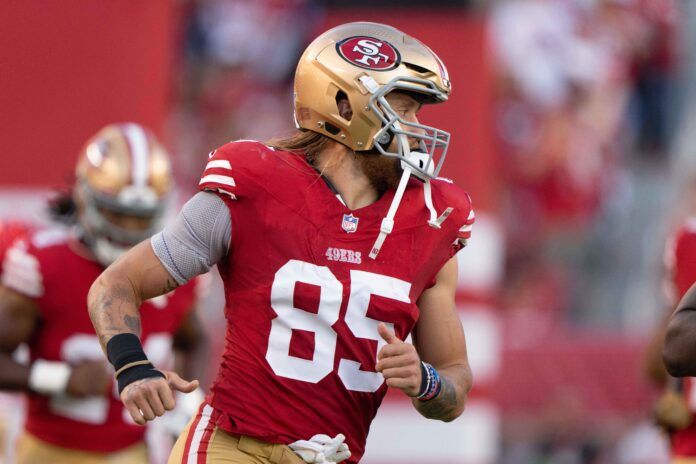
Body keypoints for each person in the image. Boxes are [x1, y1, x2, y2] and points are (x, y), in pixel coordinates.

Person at [88, 22, 474, 464]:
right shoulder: (255, 183)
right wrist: (132, 367)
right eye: (403, 110)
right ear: (345, 106)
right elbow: (116, 284)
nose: (416, 128)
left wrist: (425, 382)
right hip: (233, 445)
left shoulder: (433, 217)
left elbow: (455, 382)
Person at [0, 123, 207, 464]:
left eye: (139, 218)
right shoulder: (44, 264)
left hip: (131, 454)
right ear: (85, 196)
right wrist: (58, 378)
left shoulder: (175, 271)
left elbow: (194, 339)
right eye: (117, 214)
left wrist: (188, 402)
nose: (127, 231)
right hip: (48, 452)